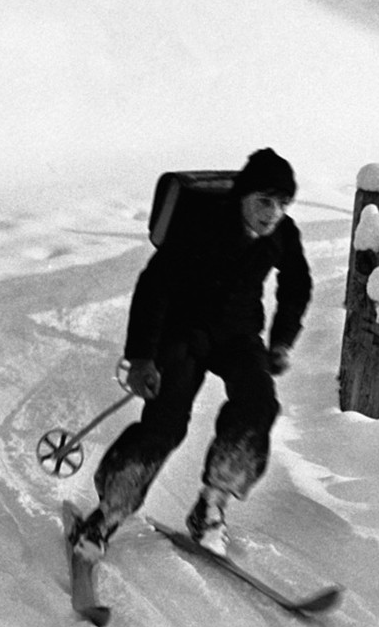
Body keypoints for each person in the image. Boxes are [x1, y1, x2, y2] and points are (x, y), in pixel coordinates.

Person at [69, 148, 312, 558]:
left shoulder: (283, 234)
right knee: (165, 424)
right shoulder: (200, 226)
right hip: (183, 334)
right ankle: (107, 513)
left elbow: (297, 284)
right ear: (243, 197)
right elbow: (154, 287)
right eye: (264, 202)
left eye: (282, 204)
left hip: (238, 336)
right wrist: (143, 357)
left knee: (258, 402)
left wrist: (281, 340)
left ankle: (212, 502)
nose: (272, 214)